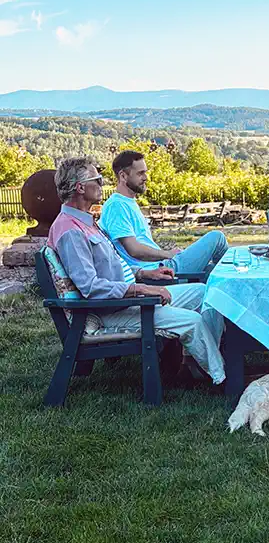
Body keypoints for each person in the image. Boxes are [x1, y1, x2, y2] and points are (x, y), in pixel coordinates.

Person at [48, 157, 226, 385]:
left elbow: (110, 266)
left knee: (206, 293)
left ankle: (198, 366)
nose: (103, 184)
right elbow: (91, 287)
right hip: (113, 310)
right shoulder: (70, 231)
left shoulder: (85, 222)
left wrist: (144, 274)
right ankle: (222, 378)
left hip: (128, 297)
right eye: (98, 179)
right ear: (80, 188)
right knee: (192, 321)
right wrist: (141, 289)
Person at [100, 150, 227, 275]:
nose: (146, 177)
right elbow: (134, 250)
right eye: (140, 173)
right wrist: (167, 254)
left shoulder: (127, 202)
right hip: (158, 269)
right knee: (217, 238)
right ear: (123, 176)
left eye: (145, 172)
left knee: (214, 271)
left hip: (162, 265)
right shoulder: (116, 206)